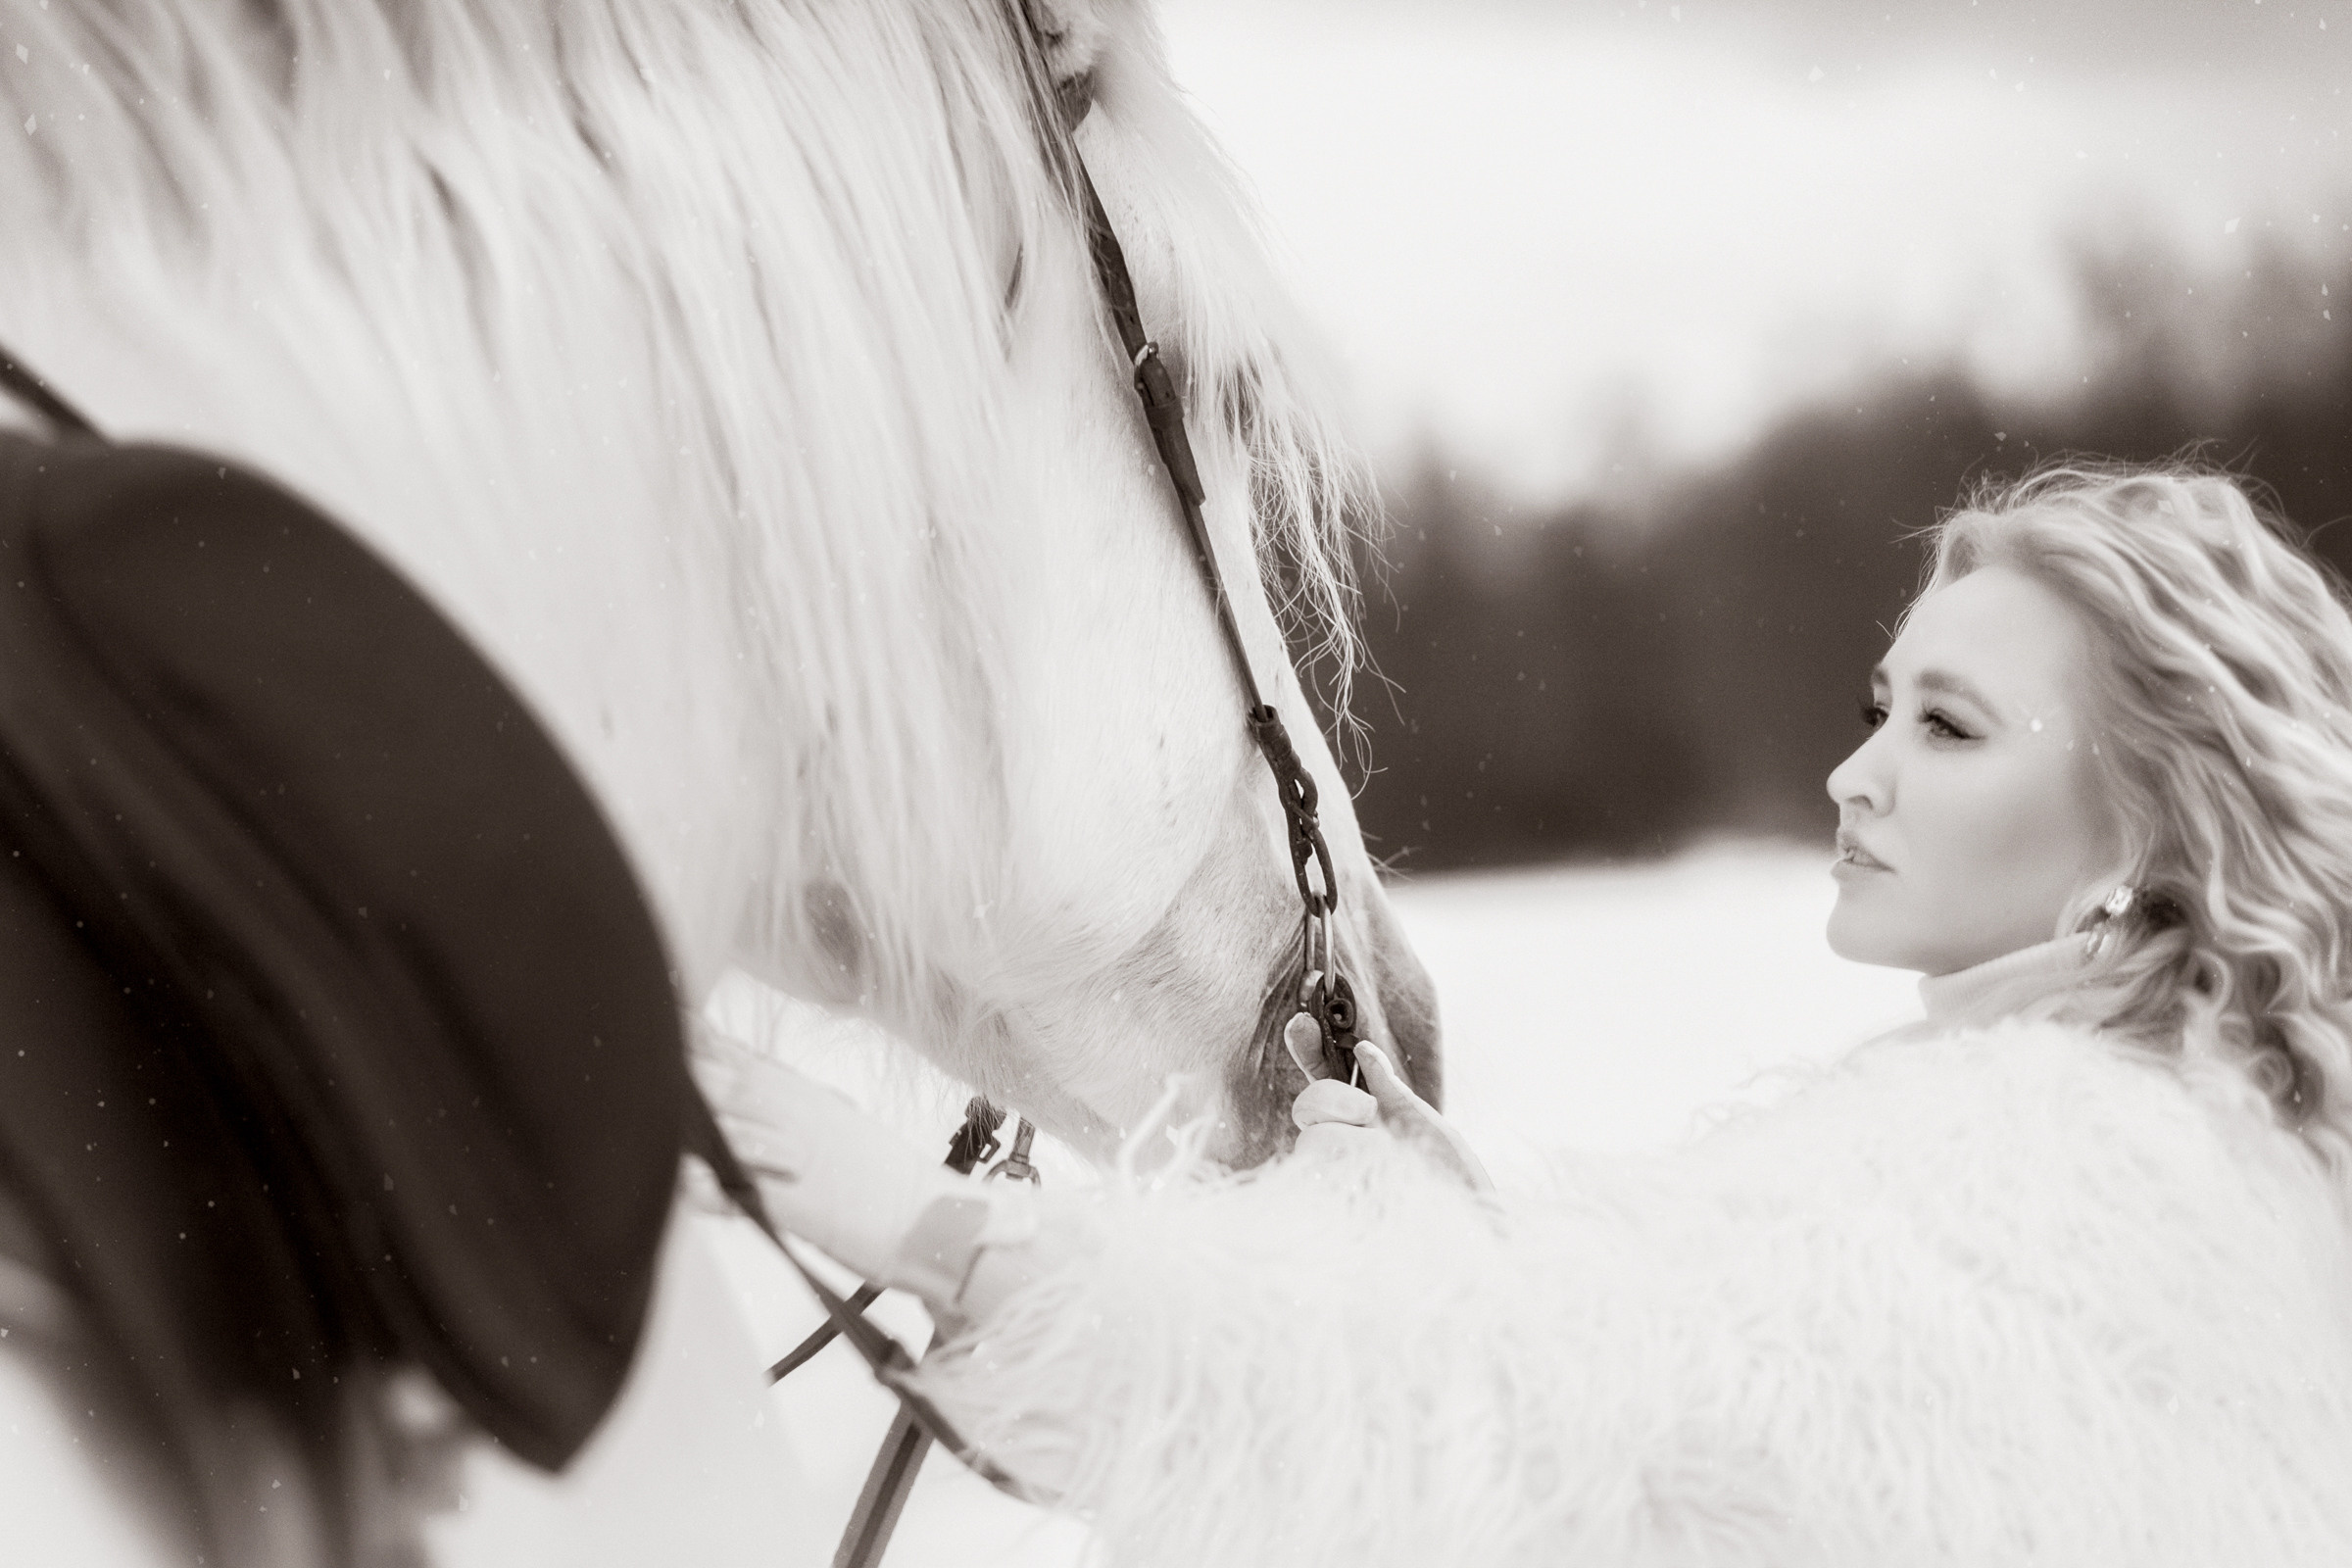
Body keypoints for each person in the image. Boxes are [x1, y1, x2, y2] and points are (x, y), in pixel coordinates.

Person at [718, 462, 2352, 1566]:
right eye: (1881, 707)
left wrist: (923, 1228)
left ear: (2148, 826)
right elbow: (1693, 1448)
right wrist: (1478, 1258)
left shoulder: (2034, 1181)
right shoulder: (2200, 1166)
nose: (1858, 771)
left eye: (1954, 727)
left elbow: (1455, 1422)